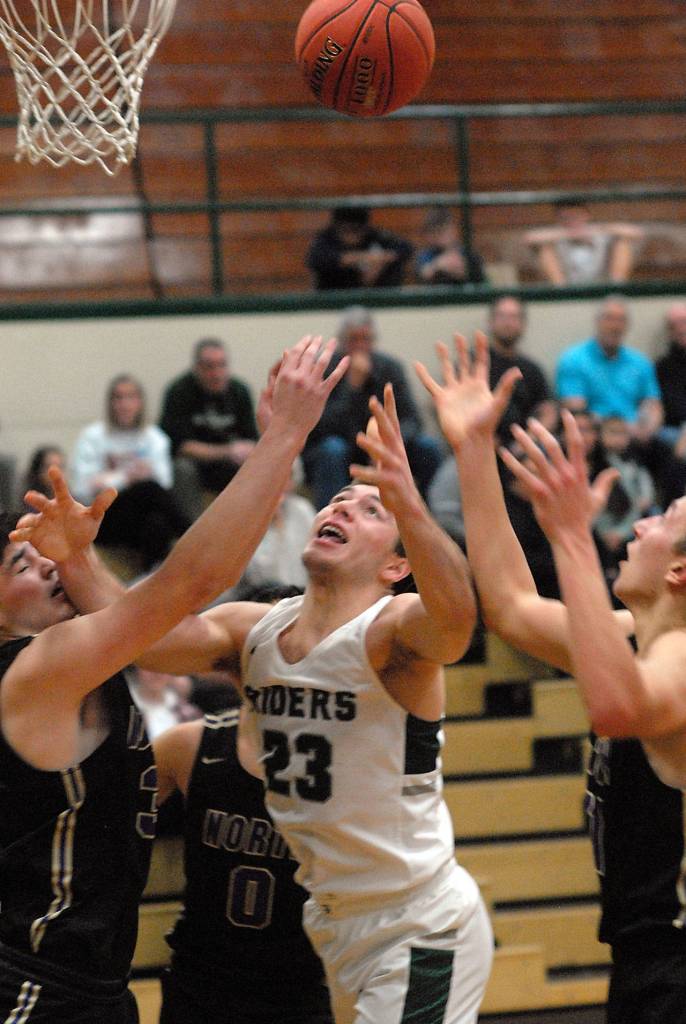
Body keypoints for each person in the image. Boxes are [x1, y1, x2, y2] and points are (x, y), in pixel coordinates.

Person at [26, 383, 492, 1024]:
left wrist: (410, 503)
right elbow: (146, 635)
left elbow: (458, 623)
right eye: (339, 499)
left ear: (395, 566)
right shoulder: (257, 629)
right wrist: (76, 560)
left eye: (370, 510)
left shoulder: (393, 630)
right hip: (336, 922)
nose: (344, 506)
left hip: (417, 919)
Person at [0, 336, 347, 1023]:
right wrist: (284, 436)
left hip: (93, 986)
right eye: (21, 566)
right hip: (33, 986)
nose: (45, 566)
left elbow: (154, 623)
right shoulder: (34, 667)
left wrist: (77, 562)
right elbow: (190, 582)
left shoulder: (79, 660)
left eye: (43, 556)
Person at [415, 332, 686, 1024]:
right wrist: (473, 452)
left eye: (662, 521)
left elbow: (618, 708)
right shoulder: (636, 639)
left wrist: (571, 540)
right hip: (646, 957)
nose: (641, 525)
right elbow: (510, 606)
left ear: (681, 572)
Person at [155, 703, 333, 1024]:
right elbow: (102, 832)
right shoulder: (191, 744)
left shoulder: (349, 760)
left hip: (303, 990)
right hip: (200, 987)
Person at [303, 306, 444, 508]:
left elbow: (412, 420)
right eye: (354, 339)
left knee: (427, 446)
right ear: (342, 341)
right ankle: (332, 513)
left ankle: (432, 515)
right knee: (332, 449)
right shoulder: (326, 369)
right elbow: (320, 427)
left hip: (386, 447)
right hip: (343, 448)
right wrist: (352, 388)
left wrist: (387, 447)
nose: (360, 346)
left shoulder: (390, 368)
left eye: (366, 339)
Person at [71, 373, 189, 569]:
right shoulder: (92, 436)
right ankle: (195, 536)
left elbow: (165, 485)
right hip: (103, 519)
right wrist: (127, 477)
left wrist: (107, 479)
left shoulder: (155, 438)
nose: (124, 405)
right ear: (110, 403)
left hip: (141, 518)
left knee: (157, 523)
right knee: (148, 488)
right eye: (118, 398)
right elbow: (82, 488)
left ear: (140, 402)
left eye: (131, 397)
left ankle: (149, 575)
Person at [159, 338, 259, 521]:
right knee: (182, 468)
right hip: (195, 465)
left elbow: (252, 439)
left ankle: (247, 526)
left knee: (255, 465)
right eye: (210, 366)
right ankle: (192, 529)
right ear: (197, 368)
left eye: (222, 365)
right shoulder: (179, 391)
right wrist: (228, 451)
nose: (217, 373)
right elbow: (180, 446)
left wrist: (245, 450)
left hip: (229, 465)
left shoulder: (239, 391)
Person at [555, 295, 663, 438]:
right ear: (597, 322)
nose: (615, 326)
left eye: (621, 320)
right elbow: (575, 409)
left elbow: (653, 405)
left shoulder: (641, 362)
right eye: (609, 319)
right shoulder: (573, 359)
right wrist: (616, 430)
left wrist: (646, 431)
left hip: (636, 437)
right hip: (594, 436)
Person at [484, 294, 556, 441]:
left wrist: (526, 442)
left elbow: (549, 411)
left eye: (514, 317)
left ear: (523, 324)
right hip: (480, 444)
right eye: (502, 316)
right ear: (490, 321)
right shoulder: (475, 365)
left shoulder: (532, 369)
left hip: (526, 445)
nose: (507, 323)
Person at [524, 199, 644, 285]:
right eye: (565, 218)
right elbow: (529, 238)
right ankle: (560, 291)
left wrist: (598, 229)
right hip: (567, 287)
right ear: (558, 219)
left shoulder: (600, 233)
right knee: (545, 248)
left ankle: (617, 287)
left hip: (603, 285)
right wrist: (569, 234)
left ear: (586, 215)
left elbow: (637, 233)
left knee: (623, 242)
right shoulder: (554, 237)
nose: (571, 221)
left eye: (575, 216)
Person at [306, 206, 413, 290]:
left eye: (356, 230)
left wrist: (381, 261)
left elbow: (405, 248)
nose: (351, 235)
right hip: (334, 296)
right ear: (337, 227)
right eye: (345, 230)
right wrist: (362, 258)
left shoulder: (374, 236)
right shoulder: (326, 239)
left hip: (375, 294)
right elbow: (317, 259)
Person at [415, 207, 486, 286]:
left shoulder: (468, 253)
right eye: (434, 232)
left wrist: (463, 271)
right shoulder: (426, 254)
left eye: (443, 231)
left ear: (453, 230)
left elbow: (480, 279)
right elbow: (422, 274)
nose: (439, 236)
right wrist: (438, 265)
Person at [655, 300, 686, 446]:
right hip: (674, 430)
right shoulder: (662, 367)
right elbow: (671, 407)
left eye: (684, 322)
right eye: (674, 325)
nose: (681, 329)